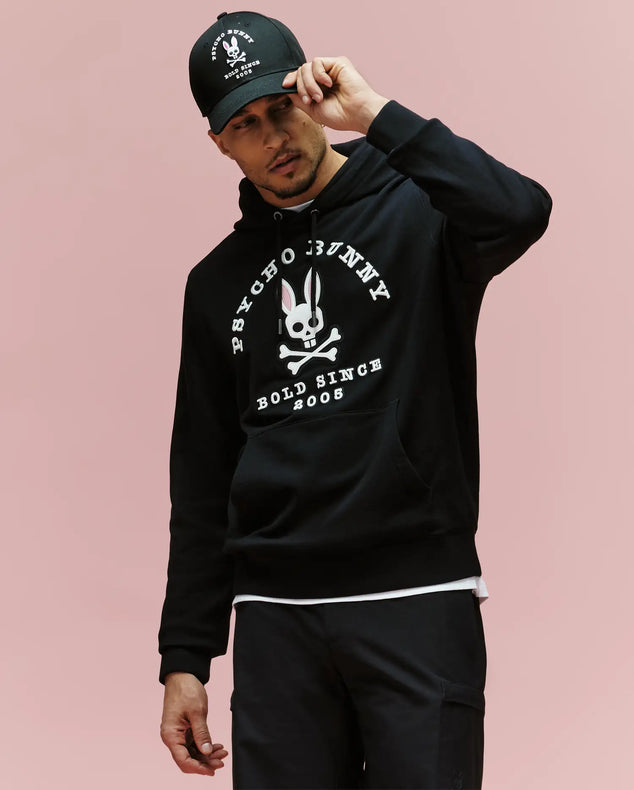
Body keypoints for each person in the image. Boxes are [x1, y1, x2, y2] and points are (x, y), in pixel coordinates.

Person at [158, 10, 552, 789]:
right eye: (244, 124)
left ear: (313, 95)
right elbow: (202, 477)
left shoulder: (421, 212)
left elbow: (521, 212)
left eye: (282, 107)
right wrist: (185, 657)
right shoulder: (215, 283)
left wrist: (376, 117)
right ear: (219, 143)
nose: (273, 136)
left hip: (416, 599)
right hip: (275, 617)